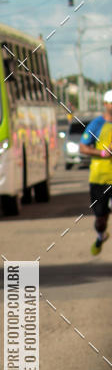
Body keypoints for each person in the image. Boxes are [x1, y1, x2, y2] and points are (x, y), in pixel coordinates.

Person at [79, 91, 112, 255]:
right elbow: (83, 147)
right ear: (105, 104)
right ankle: (101, 236)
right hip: (100, 178)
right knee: (101, 219)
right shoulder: (96, 124)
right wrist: (103, 153)